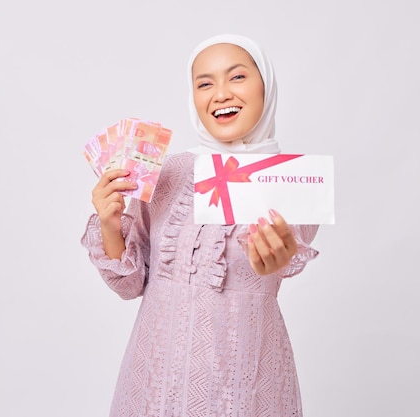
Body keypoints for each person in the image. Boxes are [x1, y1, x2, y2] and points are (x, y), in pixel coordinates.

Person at [82, 33, 320, 417]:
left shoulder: (294, 180)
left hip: (243, 373)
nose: (221, 93)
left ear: (267, 86)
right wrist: (111, 225)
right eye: (204, 83)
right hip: (153, 374)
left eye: (237, 77)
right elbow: (130, 285)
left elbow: (284, 257)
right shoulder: (167, 172)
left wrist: (274, 257)